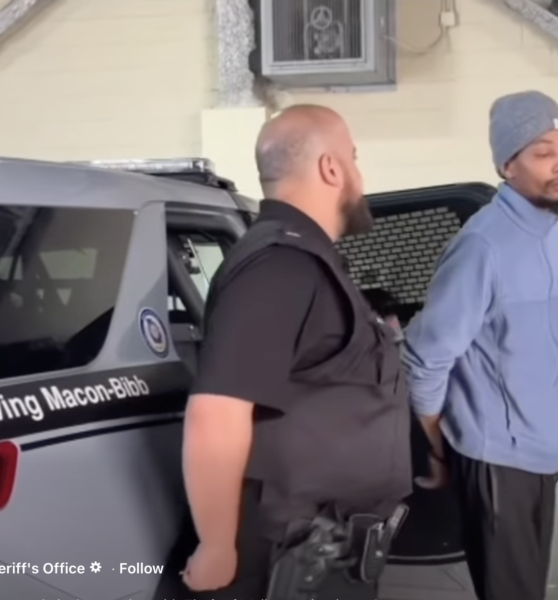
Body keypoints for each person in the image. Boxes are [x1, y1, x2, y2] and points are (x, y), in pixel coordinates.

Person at [154, 104, 412, 600]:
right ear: (330, 168)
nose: (360, 174)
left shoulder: (307, 263)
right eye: (353, 159)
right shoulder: (281, 268)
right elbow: (217, 413)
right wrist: (216, 545)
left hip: (324, 548)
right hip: (283, 557)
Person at [402, 90, 558, 600]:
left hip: (545, 449)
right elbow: (427, 355)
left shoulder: (557, 240)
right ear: (507, 164)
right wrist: (435, 444)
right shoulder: (483, 245)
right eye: (544, 151)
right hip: (498, 456)